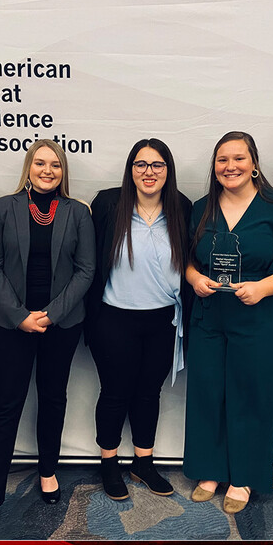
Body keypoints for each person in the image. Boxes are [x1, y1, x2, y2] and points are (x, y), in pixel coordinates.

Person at [0, 139, 96, 540]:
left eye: (55, 164)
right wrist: (21, 316)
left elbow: (86, 270)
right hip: (11, 324)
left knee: (53, 398)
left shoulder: (78, 212)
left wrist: (52, 314)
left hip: (62, 322)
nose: (47, 170)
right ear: (29, 167)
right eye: (40, 163)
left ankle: (48, 471)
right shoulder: (3, 208)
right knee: (5, 406)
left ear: (63, 171)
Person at [183, 131, 273, 514]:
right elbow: (188, 258)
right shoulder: (202, 207)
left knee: (251, 397)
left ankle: (242, 477)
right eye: (222, 160)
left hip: (260, 317)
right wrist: (194, 279)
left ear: (254, 164)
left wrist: (262, 288)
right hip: (209, 316)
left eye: (238, 158)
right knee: (208, 392)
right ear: (215, 167)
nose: (230, 166)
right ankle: (209, 470)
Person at [84, 138, 192, 501]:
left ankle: (143, 463)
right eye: (141, 164)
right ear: (130, 170)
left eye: (157, 165)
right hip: (113, 319)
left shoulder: (181, 207)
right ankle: (109, 464)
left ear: (168, 170)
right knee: (114, 393)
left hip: (163, 321)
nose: (149, 172)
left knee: (149, 393)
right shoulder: (108, 204)